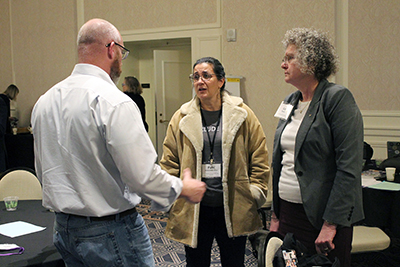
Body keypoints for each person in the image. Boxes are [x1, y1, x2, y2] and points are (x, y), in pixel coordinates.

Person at [31, 18, 206, 267]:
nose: (121, 61)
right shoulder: (114, 102)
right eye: (122, 53)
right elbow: (142, 177)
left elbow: (44, 169)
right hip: (110, 232)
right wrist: (182, 188)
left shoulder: (45, 101)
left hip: (62, 229)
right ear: (111, 49)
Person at [160, 57, 270, 267]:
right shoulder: (181, 117)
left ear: (221, 81)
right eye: (196, 77)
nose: (200, 81)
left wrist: (255, 192)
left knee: (234, 262)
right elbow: (169, 161)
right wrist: (174, 196)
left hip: (232, 206)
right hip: (194, 208)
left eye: (206, 76)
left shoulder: (243, 114)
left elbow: (259, 156)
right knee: (196, 263)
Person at [270, 28, 364, 267]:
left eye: (290, 58)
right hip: (289, 214)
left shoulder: (337, 98)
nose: (283, 64)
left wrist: (330, 224)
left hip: (322, 217)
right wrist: (275, 215)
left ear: (311, 61)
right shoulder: (290, 102)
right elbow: (281, 161)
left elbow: (349, 168)